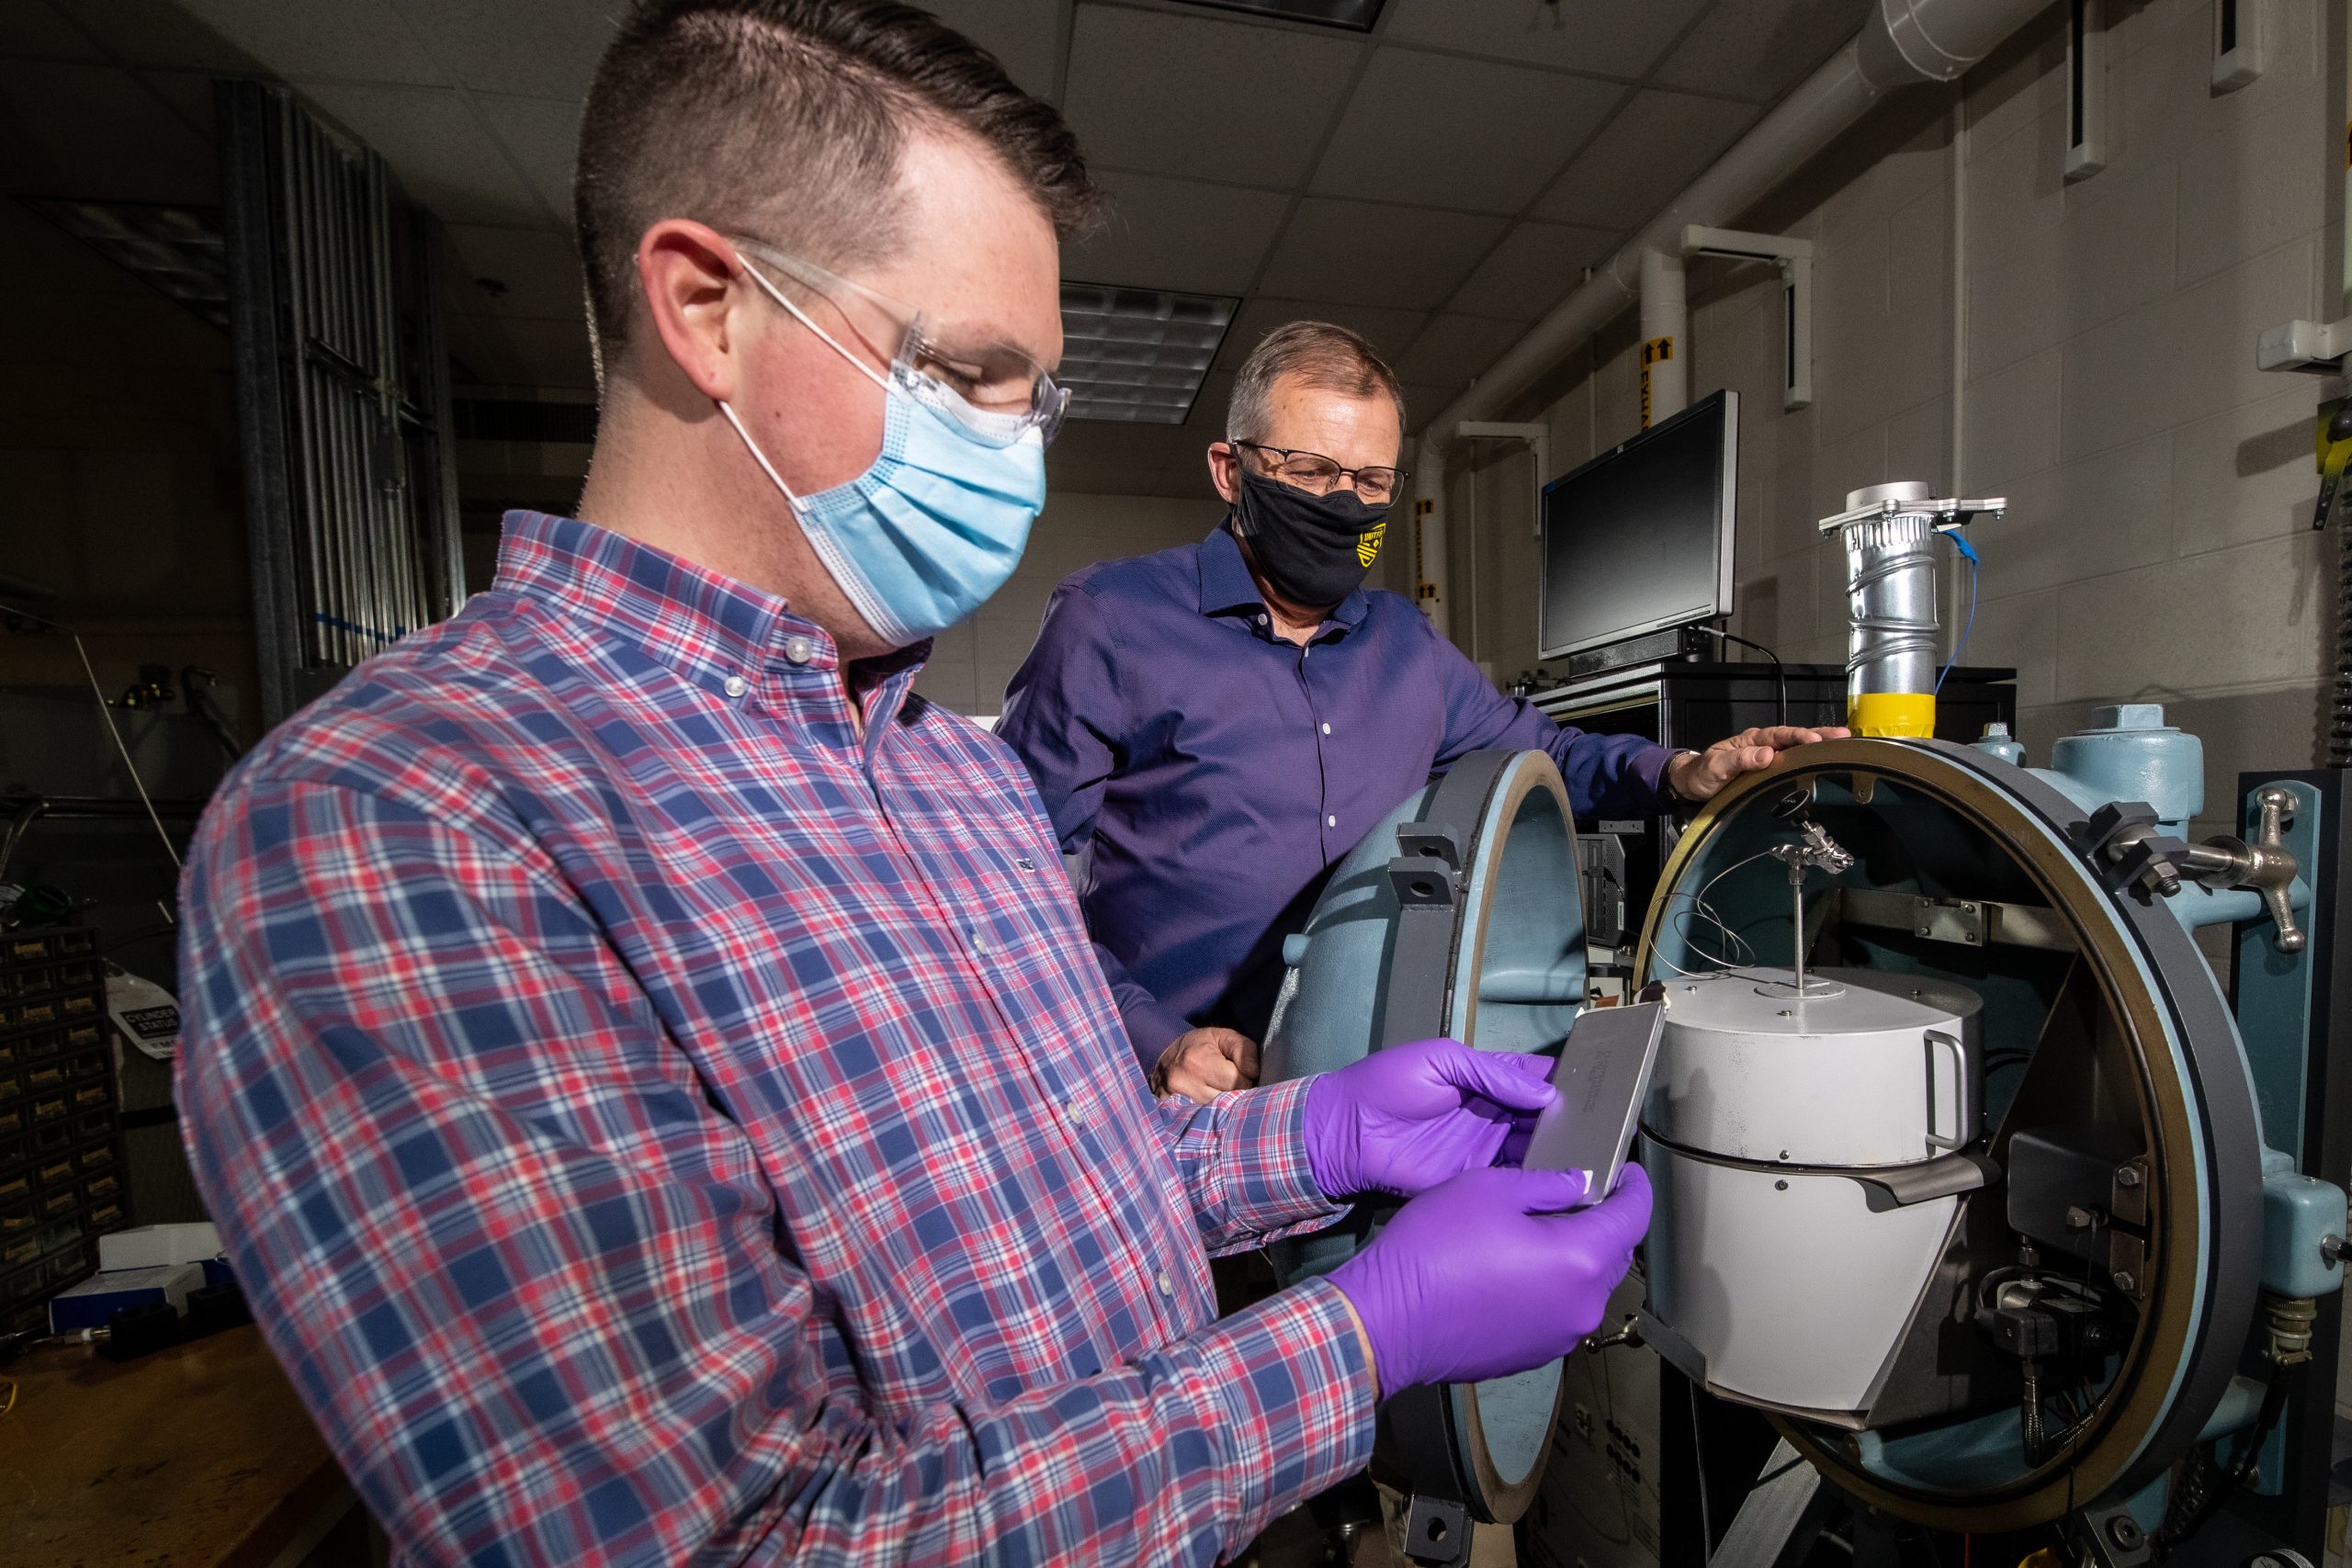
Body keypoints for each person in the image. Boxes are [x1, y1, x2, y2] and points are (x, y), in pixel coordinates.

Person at [172, 5, 1651, 1563]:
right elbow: (744, 1541)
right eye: (969, 374)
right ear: (705, 304)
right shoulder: (409, 823)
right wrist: (1358, 1343)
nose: (1017, 449)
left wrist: (1320, 1139)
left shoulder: (951, 777)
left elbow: (1056, 1190)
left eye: (1036, 396)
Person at [998, 322, 1846, 1099]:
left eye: (1370, 479)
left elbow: (1545, 754)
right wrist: (1151, 1040)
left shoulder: (1404, 645)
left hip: (1364, 1082)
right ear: (1232, 470)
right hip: (1180, 1094)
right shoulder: (1111, 621)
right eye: (1311, 471)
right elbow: (1003, 885)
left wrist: (1681, 770)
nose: (1343, 502)